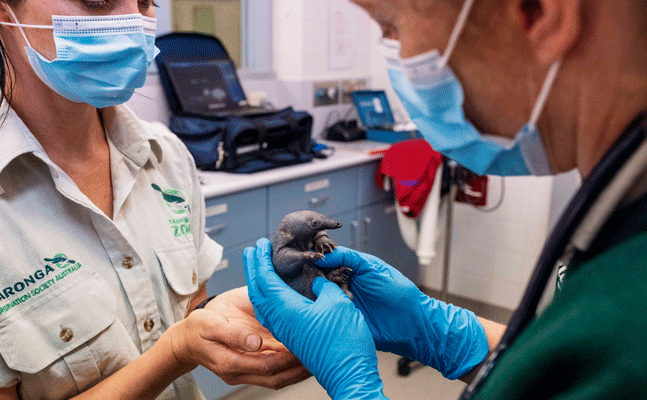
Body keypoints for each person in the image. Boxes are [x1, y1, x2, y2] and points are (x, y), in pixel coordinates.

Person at [244, 0, 647, 398]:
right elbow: (571, 368)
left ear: (540, 12)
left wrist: (357, 392)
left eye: (391, 27)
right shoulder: (621, 215)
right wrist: (441, 333)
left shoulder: (631, 303)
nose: (398, 56)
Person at [0, 0, 309, 399]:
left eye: (147, 1)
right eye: (98, 0)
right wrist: (176, 351)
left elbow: (191, 313)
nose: (133, 20)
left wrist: (241, 317)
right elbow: (180, 343)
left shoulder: (165, 155)